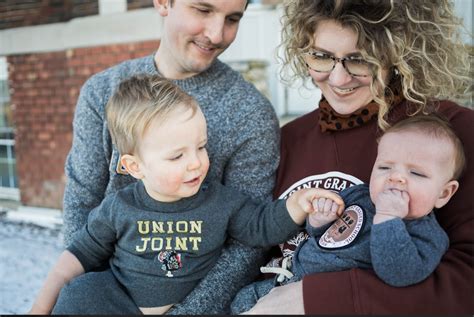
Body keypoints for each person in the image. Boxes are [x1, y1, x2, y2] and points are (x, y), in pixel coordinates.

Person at [30, 75, 335, 315]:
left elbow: (261, 227)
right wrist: (39, 308)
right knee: (80, 293)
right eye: (177, 156)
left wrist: (297, 205)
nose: (196, 162)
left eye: (201, 146)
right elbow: (78, 254)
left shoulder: (218, 201)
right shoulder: (119, 208)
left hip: (190, 306)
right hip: (116, 301)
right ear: (135, 167)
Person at [242, 0, 473, 314]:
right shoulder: (288, 138)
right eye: (321, 57)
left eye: (360, 60)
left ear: (399, 53)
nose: (338, 79)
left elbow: (465, 281)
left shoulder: (454, 134)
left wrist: (318, 299)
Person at [58, 0, 281, 314]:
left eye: (232, 18)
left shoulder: (250, 113)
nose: (217, 34)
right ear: (163, 2)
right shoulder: (101, 93)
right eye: (203, 10)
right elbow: (82, 202)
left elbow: (248, 242)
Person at [231, 114, 465, 313]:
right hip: (287, 277)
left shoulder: (427, 236)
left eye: (417, 174)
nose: (395, 178)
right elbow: (322, 235)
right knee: (241, 300)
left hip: (329, 304)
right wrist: (319, 220)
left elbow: (399, 275)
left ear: (444, 193)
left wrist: (388, 218)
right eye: (384, 167)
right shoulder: (360, 195)